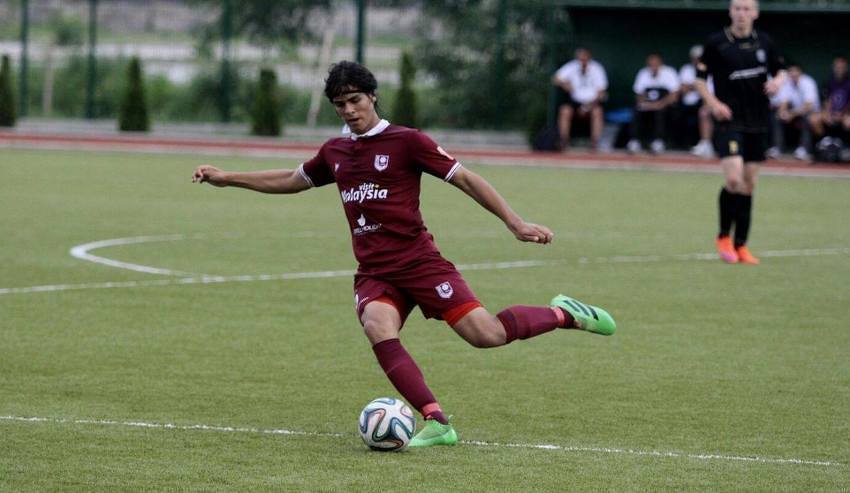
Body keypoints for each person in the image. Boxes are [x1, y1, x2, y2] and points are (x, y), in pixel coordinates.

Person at [192, 61, 617, 448]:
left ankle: (564, 314)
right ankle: (437, 421)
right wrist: (227, 178)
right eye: (340, 104)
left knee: (487, 335)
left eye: (355, 100)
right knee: (377, 325)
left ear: (372, 97)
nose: (349, 110)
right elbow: (290, 178)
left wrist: (516, 223)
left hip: (420, 263)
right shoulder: (335, 152)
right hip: (375, 271)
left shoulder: (407, 142)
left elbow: (465, 179)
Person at [696, 0, 786, 265]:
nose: (742, 13)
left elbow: (780, 70)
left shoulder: (765, 43)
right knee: (734, 179)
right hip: (729, 120)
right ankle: (723, 236)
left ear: (755, 13)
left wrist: (778, 82)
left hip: (758, 122)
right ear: (730, 11)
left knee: (749, 185)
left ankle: (742, 245)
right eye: (737, 8)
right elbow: (699, 80)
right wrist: (714, 104)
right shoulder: (716, 43)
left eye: (747, 9)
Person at [551, 48, 608, 150]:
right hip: (575, 102)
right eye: (580, 59)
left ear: (589, 58)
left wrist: (587, 107)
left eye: (584, 59)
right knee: (564, 111)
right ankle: (564, 141)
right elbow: (555, 79)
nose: (582, 62)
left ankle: (595, 142)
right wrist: (565, 84)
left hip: (592, 103)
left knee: (598, 112)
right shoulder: (572, 66)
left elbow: (601, 93)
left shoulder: (597, 68)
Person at [627, 53, 681, 154]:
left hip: (665, 105)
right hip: (648, 105)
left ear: (660, 64)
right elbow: (639, 94)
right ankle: (634, 141)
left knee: (660, 112)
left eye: (655, 64)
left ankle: (658, 142)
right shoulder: (643, 73)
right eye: (650, 65)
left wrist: (660, 104)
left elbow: (674, 95)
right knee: (636, 110)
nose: (653, 67)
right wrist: (644, 103)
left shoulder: (669, 72)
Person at [768, 62, 819, 161]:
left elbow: (808, 106)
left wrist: (791, 114)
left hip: (811, 112)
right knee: (777, 116)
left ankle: (804, 149)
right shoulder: (787, 82)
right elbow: (784, 102)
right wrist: (782, 112)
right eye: (791, 71)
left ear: (800, 72)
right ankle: (777, 148)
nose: (793, 74)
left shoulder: (807, 82)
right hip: (795, 113)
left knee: (807, 118)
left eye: (795, 71)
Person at [680, 45, 716, 158]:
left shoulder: (712, 69)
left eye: (700, 57)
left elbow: (710, 92)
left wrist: (694, 87)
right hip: (688, 104)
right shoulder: (686, 69)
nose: (698, 60)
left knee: (704, 111)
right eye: (696, 57)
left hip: (708, 102)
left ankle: (706, 144)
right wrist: (695, 87)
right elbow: (683, 89)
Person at [809, 55, 850, 146]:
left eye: (841, 67)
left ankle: (846, 147)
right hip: (831, 113)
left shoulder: (848, 82)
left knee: (848, 122)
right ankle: (825, 142)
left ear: (846, 68)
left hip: (846, 114)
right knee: (814, 119)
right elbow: (826, 100)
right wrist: (828, 113)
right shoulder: (829, 82)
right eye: (837, 67)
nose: (839, 69)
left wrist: (842, 114)